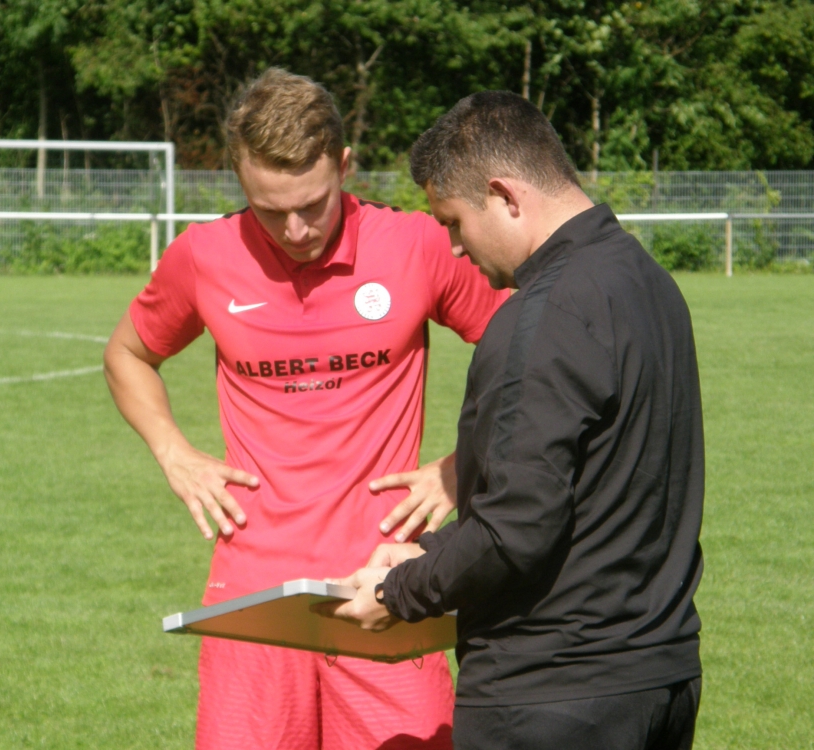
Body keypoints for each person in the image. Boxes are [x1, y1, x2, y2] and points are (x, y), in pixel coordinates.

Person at [102, 69, 508, 750]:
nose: (294, 229)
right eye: (268, 210)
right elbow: (127, 354)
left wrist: (461, 467)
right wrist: (174, 453)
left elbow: (531, 355)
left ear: (344, 166)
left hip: (388, 579)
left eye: (313, 205)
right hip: (253, 590)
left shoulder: (415, 246)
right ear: (240, 181)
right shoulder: (203, 255)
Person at [327, 91, 705, 750]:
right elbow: (584, 493)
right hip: (658, 679)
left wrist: (397, 592)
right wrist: (430, 553)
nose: (453, 247)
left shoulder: (543, 314)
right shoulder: (648, 281)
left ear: (504, 195)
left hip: (550, 696)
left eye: (453, 220)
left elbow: (514, 529)